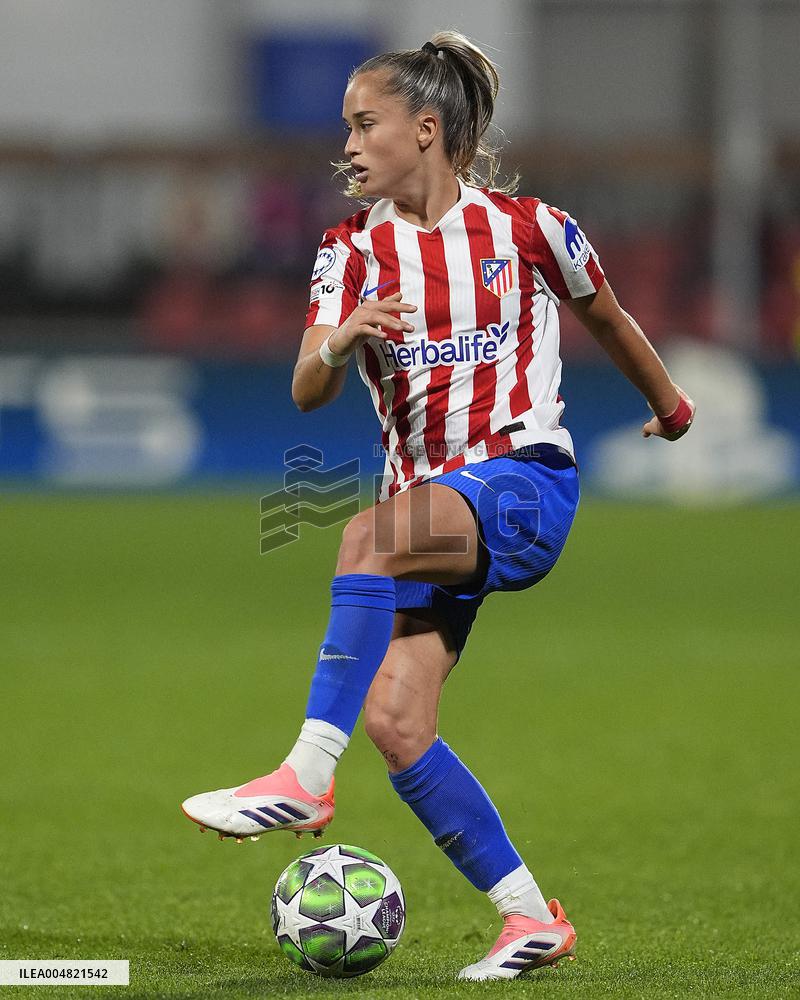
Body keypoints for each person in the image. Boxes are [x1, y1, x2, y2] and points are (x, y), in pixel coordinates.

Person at [181, 31, 695, 981]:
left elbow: (608, 317)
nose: (348, 142)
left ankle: (304, 776)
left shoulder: (532, 228)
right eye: (345, 126)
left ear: (425, 129)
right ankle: (531, 918)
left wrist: (671, 405)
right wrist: (339, 341)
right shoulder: (349, 251)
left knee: (369, 535)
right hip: (436, 505)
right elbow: (305, 389)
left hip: (525, 484)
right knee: (397, 722)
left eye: (364, 123)